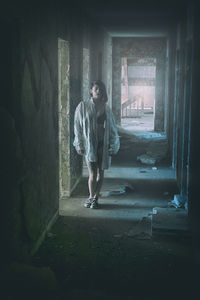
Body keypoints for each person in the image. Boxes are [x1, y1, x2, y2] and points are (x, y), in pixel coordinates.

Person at [73, 80, 120, 209]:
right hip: (90, 145)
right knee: (92, 173)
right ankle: (90, 196)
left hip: (102, 145)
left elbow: (112, 128)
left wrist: (113, 145)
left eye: (100, 89)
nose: (98, 91)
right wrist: (79, 144)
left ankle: (96, 198)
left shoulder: (106, 108)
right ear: (91, 91)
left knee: (101, 173)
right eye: (96, 89)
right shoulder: (83, 106)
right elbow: (77, 126)